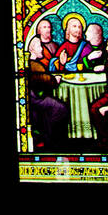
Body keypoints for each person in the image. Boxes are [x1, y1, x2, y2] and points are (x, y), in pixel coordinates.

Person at [27, 19, 68, 149]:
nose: (42, 49)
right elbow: (50, 83)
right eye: (39, 47)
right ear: (33, 49)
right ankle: (50, 140)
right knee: (61, 108)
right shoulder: (35, 66)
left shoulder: (35, 64)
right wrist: (58, 75)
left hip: (36, 97)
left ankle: (47, 136)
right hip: (35, 99)